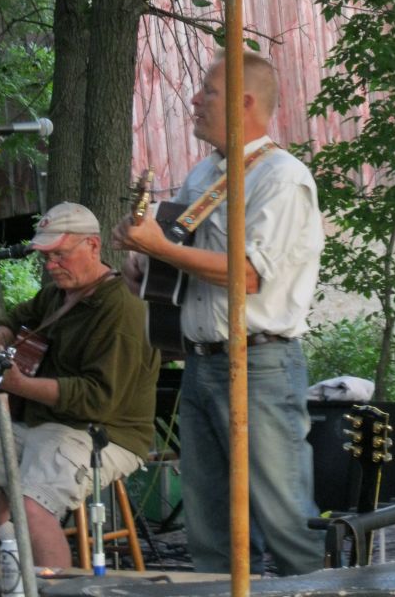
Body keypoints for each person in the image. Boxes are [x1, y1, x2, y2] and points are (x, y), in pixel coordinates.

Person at [113, 52, 325, 576]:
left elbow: (248, 275)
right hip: (201, 362)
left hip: (260, 366)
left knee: (284, 518)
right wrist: (144, 267)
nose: (194, 100)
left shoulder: (282, 177)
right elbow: (180, 263)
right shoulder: (205, 175)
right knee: (209, 525)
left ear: (244, 102)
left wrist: (160, 248)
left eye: (207, 91)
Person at [0, 202, 160, 567]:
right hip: (40, 424)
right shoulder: (56, 295)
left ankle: (51, 580)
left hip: (101, 432)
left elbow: (98, 400)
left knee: (33, 509)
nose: (51, 265)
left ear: (93, 246)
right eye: (46, 257)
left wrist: (18, 384)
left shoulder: (121, 309)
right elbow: (14, 318)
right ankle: (10, 536)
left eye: (60, 255)